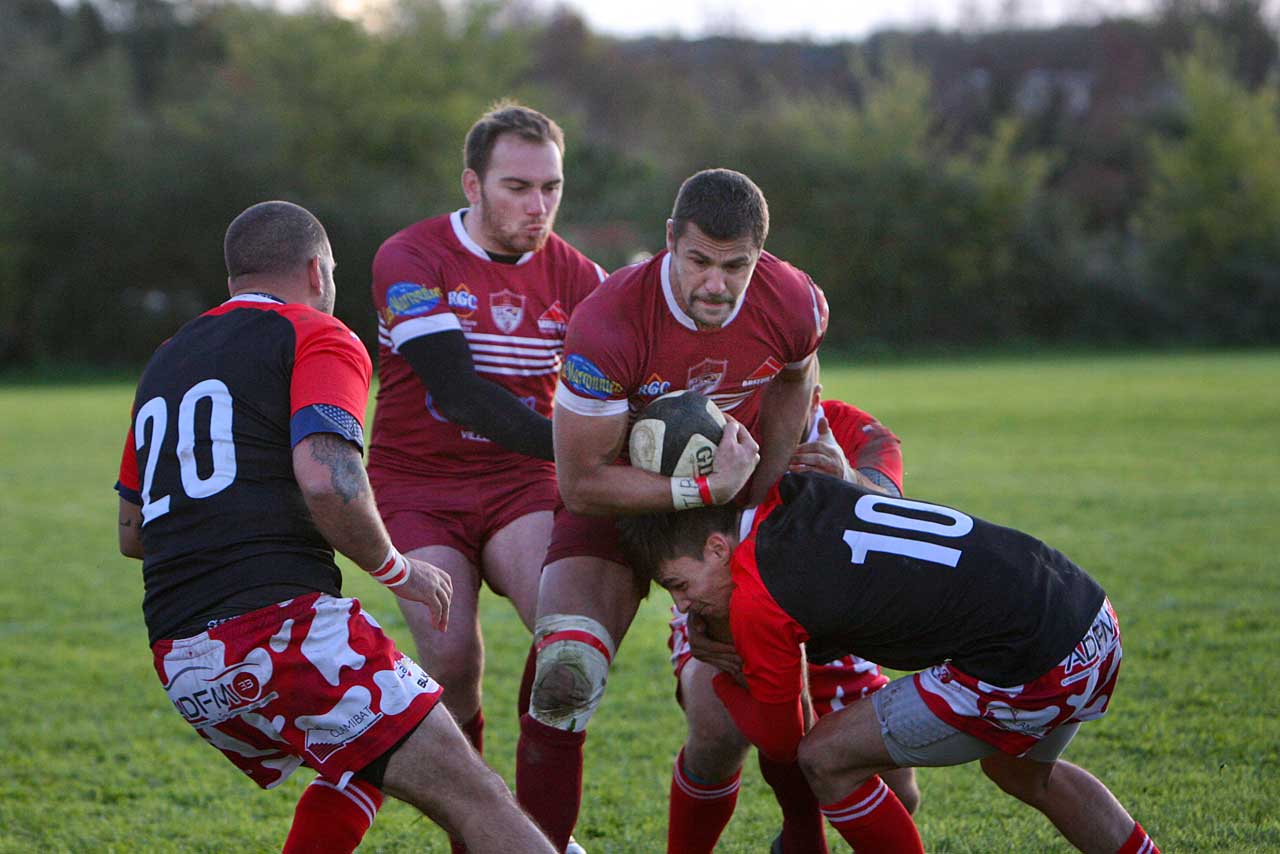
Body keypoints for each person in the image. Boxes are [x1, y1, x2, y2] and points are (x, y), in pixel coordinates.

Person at [114, 200, 555, 854]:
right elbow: (328, 478)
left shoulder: (166, 359)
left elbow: (133, 529)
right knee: (478, 795)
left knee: (365, 756)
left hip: (182, 658)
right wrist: (396, 570)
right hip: (280, 630)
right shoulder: (316, 333)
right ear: (318, 272)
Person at [516, 168, 828, 851]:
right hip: (614, 503)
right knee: (564, 674)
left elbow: (797, 377)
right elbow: (579, 483)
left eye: (735, 266)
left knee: (742, 701)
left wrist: (755, 501)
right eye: (698, 262)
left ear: (760, 256)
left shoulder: (794, 301)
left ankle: (803, 838)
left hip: (722, 517)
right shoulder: (609, 319)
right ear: (669, 243)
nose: (715, 284)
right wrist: (703, 492)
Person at [619, 471, 1161, 854]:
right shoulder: (794, 495)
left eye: (678, 585)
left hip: (1029, 662)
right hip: (1089, 616)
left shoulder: (759, 595)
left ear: (717, 548)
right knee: (1023, 774)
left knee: (825, 758)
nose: (683, 605)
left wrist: (730, 675)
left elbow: (785, 745)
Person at [366, 104, 603, 853]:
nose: (537, 207)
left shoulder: (581, 277)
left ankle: (544, 833)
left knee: (568, 642)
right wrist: (585, 456)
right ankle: (481, 828)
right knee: (450, 661)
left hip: (520, 484)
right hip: (416, 483)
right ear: (472, 183)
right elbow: (458, 393)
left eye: (551, 188)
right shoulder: (410, 256)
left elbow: (620, 387)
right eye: (516, 186)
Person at [665, 384, 919, 853]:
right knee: (719, 731)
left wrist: (846, 475)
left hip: (835, 628)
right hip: (730, 614)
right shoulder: (710, 429)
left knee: (900, 794)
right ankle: (795, 838)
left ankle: (797, 839)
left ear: (811, 381)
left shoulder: (854, 429)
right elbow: (667, 537)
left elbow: (892, 508)